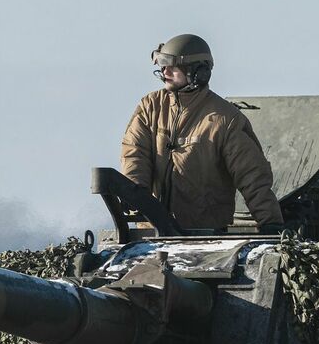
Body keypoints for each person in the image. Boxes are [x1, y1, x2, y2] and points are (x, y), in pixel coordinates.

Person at [121, 34, 284, 232]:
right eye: (163, 65)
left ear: (198, 71)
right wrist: (135, 195)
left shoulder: (224, 119)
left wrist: (271, 224)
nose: (165, 71)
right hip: (152, 235)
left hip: (205, 236)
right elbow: (134, 153)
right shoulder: (151, 107)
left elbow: (251, 176)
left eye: (173, 66)